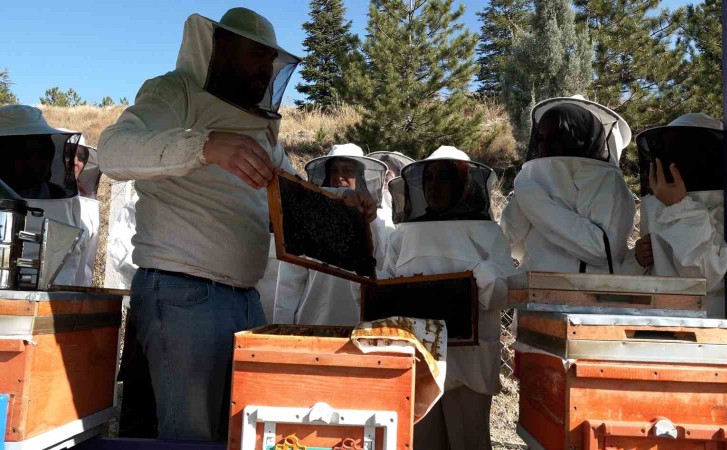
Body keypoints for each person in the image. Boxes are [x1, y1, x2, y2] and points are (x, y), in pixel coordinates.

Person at [97, 8, 376, 441]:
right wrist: (206, 146)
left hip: (246, 299)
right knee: (191, 436)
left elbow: (293, 198)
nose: (266, 69)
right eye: (256, 56)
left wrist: (344, 204)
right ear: (222, 49)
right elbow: (113, 151)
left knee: (242, 432)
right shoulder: (175, 92)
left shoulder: (260, 128)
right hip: (183, 292)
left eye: (270, 60)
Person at [383, 145, 514, 450]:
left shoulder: (489, 233)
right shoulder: (403, 234)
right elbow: (385, 289)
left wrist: (478, 273)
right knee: (422, 442)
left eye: (444, 177)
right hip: (418, 361)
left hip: (470, 364)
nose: (434, 186)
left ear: (463, 184)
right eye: (428, 178)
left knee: (469, 442)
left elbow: (502, 295)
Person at [501, 95, 636, 274]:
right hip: (534, 286)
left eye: (557, 138)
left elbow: (602, 249)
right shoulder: (532, 178)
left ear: (582, 139)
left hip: (591, 289)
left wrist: (534, 202)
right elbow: (507, 243)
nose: (544, 147)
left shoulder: (605, 180)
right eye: (540, 139)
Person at [274, 144, 391, 326]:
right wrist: (283, 329)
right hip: (312, 324)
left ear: (360, 177)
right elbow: (289, 283)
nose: (339, 177)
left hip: (361, 327)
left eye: (348, 171)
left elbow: (384, 275)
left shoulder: (379, 221)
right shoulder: (308, 219)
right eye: (334, 171)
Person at [626, 113, 727, 318]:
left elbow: (704, 277)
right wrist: (637, 260)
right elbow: (642, 282)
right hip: (658, 323)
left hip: (708, 326)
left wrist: (680, 208)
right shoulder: (658, 203)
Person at [0, 105, 99, 286]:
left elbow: (77, 269)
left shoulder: (66, 200)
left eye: (44, 151)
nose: (41, 160)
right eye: (29, 152)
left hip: (55, 301)